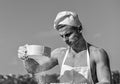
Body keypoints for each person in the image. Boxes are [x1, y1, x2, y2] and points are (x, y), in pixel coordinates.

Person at [18, 11, 112, 84]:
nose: (65, 40)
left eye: (68, 34)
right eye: (62, 36)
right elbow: (34, 69)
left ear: (79, 29)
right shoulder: (59, 54)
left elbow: (106, 81)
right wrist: (25, 58)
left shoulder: (97, 54)